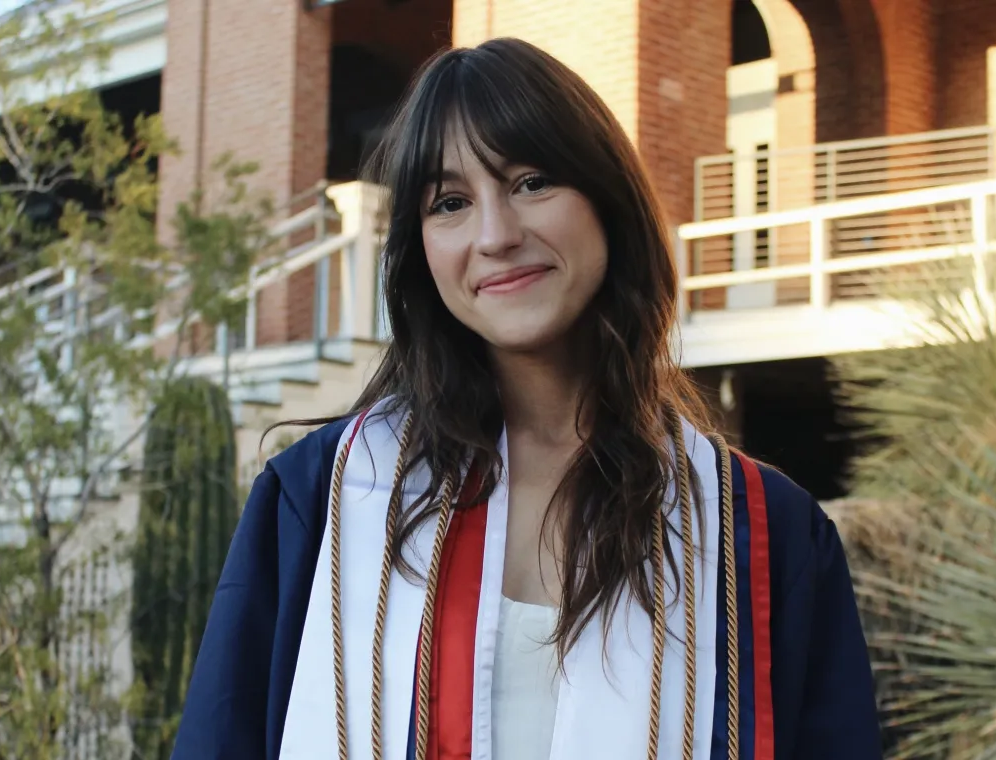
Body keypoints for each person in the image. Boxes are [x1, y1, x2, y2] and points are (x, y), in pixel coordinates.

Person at [170, 37, 881, 760]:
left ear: (607, 201)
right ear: (421, 250)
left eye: (532, 181)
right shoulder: (321, 501)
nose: (496, 235)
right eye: (449, 202)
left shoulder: (763, 536)